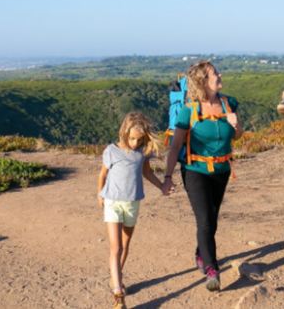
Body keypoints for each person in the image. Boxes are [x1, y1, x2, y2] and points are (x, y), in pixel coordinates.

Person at [162, 60, 244, 292]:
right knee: (206, 219)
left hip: (221, 170)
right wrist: (168, 177)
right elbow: (176, 144)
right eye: (215, 73)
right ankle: (212, 269)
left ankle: (201, 252)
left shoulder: (230, 104)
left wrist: (237, 126)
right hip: (195, 170)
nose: (220, 74)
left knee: (213, 218)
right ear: (203, 81)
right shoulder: (189, 110)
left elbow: (236, 137)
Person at [98, 112, 164, 309]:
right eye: (132, 138)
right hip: (112, 202)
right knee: (116, 247)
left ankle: (115, 277)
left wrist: (162, 187)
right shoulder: (111, 150)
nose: (135, 143)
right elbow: (102, 174)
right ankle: (118, 295)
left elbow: (147, 172)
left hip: (133, 203)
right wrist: (100, 195)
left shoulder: (143, 152)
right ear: (124, 133)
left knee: (125, 246)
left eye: (139, 139)